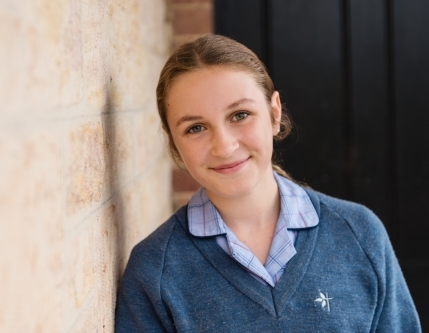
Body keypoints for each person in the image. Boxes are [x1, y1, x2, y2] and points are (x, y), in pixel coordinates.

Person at [115, 35, 421, 332]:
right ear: (173, 143)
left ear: (274, 114)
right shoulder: (154, 271)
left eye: (240, 115)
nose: (224, 146)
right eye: (196, 128)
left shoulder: (359, 234)